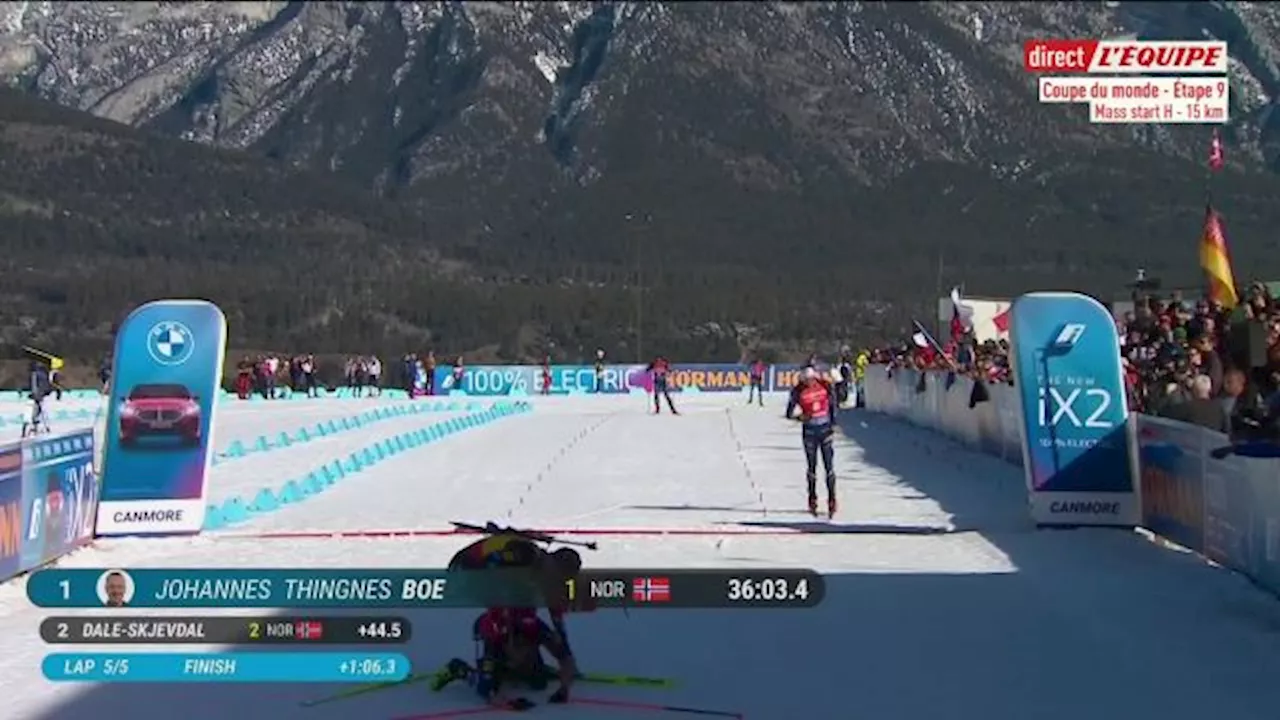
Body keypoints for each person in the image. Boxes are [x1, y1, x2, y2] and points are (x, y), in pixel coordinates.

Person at [433, 607, 577, 709]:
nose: (524, 648)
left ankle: (533, 670)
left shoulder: (538, 628)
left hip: (516, 648)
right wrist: (510, 704)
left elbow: (565, 657)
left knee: (539, 683)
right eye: (521, 644)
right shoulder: (495, 638)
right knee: (487, 683)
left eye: (528, 644)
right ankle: (458, 669)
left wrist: (564, 689)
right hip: (496, 647)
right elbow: (488, 693)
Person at [785, 366, 838, 518]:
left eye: (812, 380)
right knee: (812, 467)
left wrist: (833, 422)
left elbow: (833, 403)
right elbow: (789, 413)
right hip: (809, 432)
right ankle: (812, 498)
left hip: (825, 430)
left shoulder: (825, 385)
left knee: (829, 468)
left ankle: (832, 500)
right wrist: (800, 417)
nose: (810, 383)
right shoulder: (798, 390)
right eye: (807, 381)